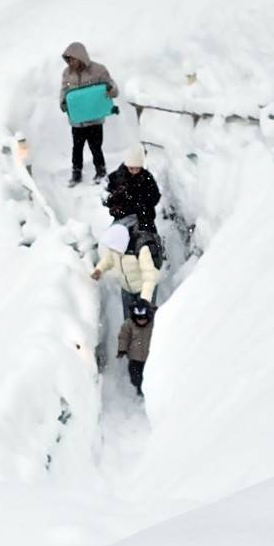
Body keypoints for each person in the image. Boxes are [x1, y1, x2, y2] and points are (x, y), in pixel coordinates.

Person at [91, 188, 162, 318]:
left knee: (144, 324)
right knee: (129, 322)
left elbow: (150, 277)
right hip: (127, 289)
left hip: (143, 289)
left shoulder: (141, 247)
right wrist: (99, 269)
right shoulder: (118, 242)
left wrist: (145, 301)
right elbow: (110, 258)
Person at [60, 41, 118, 186]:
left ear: (81, 56)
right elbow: (64, 91)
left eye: (73, 58)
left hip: (94, 119)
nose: (71, 62)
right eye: (69, 59)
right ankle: (76, 173)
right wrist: (63, 103)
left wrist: (111, 90)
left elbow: (112, 88)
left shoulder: (98, 70)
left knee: (95, 146)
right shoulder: (67, 73)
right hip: (77, 120)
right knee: (77, 148)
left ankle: (101, 170)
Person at [107, 144, 161, 232]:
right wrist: (114, 197)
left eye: (138, 168)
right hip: (123, 216)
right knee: (115, 236)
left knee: (147, 238)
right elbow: (106, 198)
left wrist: (143, 202)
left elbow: (155, 196)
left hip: (144, 216)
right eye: (132, 168)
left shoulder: (146, 177)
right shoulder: (115, 177)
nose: (135, 171)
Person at [117, 298, 154, 396]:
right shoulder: (129, 324)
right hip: (134, 358)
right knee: (136, 378)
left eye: (144, 319)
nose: (141, 321)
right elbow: (124, 336)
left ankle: (146, 391)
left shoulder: (153, 325)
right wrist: (122, 349)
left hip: (149, 358)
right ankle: (138, 386)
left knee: (149, 376)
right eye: (139, 319)